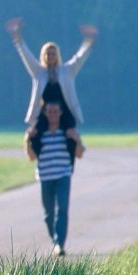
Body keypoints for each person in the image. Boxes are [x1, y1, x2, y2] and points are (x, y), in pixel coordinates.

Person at [5, 17, 97, 132]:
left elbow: (80, 57)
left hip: (65, 112)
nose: (50, 56)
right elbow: (25, 54)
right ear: (43, 56)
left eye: (53, 54)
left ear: (57, 55)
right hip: (44, 113)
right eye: (47, 54)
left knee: (71, 135)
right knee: (34, 135)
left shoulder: (67, 71)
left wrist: (89, 40)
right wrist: (17, 36)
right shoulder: (38, 72)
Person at [25, 101, 85, 257]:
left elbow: (79, 154)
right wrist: (27, 140)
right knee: (48, 213)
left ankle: (59, 243)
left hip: (63, 175)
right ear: (45, 113)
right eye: (49, 112)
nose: (52, 115)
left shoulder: (67, 133)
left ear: (60, 113)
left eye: (55, 112)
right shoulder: (40, 134)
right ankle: (55, 239)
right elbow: (31, 157)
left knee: (62, 209)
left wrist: (77, 139)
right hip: (45, 176)